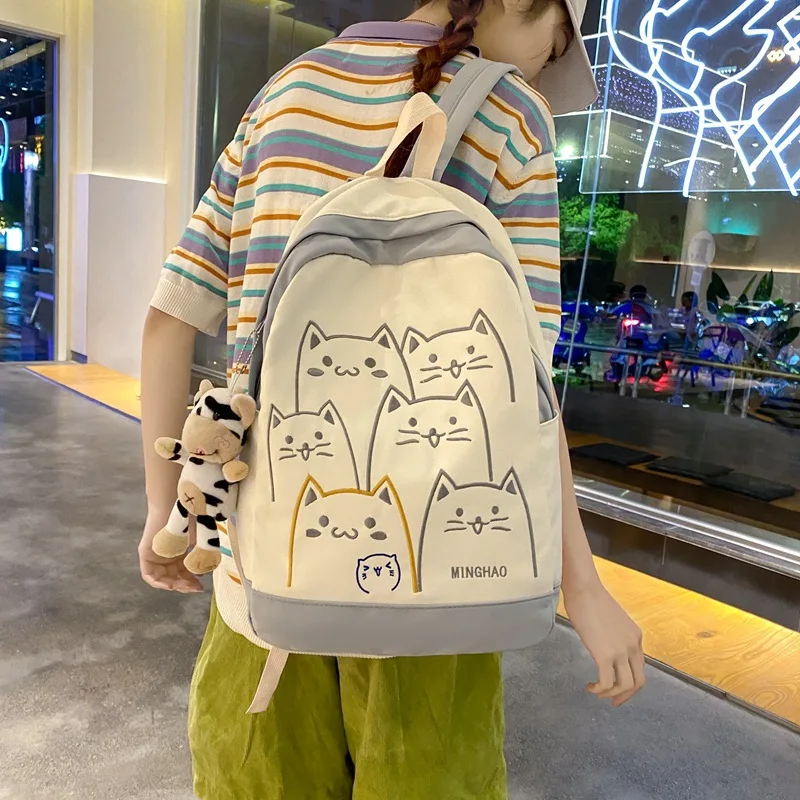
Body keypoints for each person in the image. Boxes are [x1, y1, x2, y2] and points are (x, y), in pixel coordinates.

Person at [139, 2, 645, 798]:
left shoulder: (284, 91)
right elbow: (523, 391)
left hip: (268, 564)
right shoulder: (515, 115)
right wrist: (581, 587)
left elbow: (169, 318)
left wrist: (161, 508)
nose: (542, 69)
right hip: (437, 577)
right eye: (554, 49)